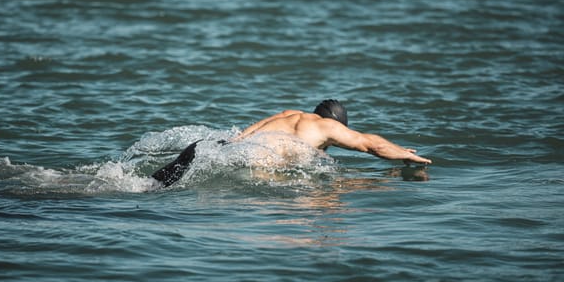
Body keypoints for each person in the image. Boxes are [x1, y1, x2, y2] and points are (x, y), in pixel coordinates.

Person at [152, 99, 431, 187]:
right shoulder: (326, 127)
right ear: (335, 124)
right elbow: (369, 144)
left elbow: (245, 134)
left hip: (209, 146)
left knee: (152, 185)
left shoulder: (289, 115)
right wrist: (403, 154)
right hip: (236, 162)